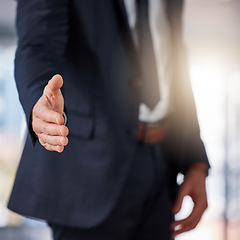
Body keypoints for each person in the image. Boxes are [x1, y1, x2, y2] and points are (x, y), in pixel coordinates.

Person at [8, 0, 210, 239]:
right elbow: (37, 45)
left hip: (161, 166)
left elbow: (172, 56)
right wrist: (37, 101)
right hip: (88, 171)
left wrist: (196, 161)